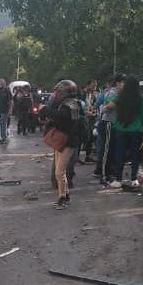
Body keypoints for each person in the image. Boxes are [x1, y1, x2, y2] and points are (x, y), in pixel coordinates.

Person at [41, 79, 81, 210]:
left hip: (68, 141)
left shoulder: (72, 105)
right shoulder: (66, 103)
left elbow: (63, 119)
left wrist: (46, 110)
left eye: (59, 91)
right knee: (59, 170)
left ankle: (63, 198)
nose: (56, 94)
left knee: (59, 172)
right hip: (63, 140)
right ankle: (65, 195)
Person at [110, 75, 143, 188]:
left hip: (120, 128)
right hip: (136, 129)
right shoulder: (140, 97)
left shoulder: (120, 96)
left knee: (119, 154)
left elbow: (110, 103)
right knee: (135, 155)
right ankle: (133, 179)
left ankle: (118, 179)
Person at [96, 74, 126, 184]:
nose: (124, 85)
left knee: (112, 150)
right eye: (123, 82)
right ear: (118, 83)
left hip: (113, 123)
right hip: (108, 122)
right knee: (107, 150)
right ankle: (104, 174)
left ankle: (110, 173)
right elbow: (107, 107)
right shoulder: (113, 93)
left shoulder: (117, 93)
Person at [82, 80, 98, 163]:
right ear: (87, 85)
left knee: (90, 137)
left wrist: (94, 112)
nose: (94, 88)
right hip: (83, 118)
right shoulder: (82, 94)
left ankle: (88, 156)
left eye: (95, 86)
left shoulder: (92, 95)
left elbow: (94, 105)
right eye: (93, 86)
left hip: (91, 118)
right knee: (83, 137)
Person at [0, 79, 13, 144]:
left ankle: (3, 137)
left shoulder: (7, 90)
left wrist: (10, 110)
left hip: (5, 110)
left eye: (1, 82)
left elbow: (10, 101)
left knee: (3, 123)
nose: (0, 84)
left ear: (4, 83)